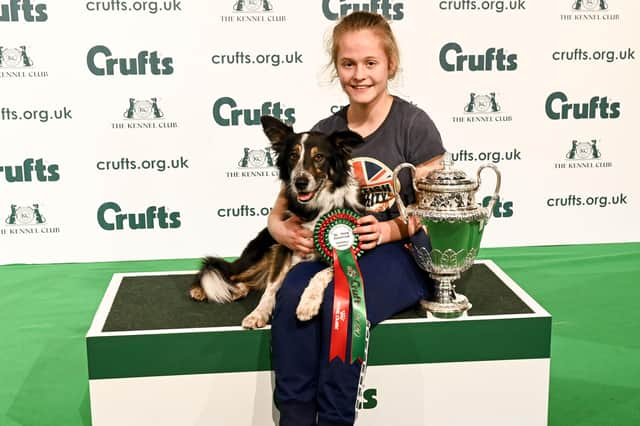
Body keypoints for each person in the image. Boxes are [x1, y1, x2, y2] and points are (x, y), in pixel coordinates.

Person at [267, 11, 446, 426]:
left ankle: (333, 418)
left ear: (390, 65)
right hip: (329, 258)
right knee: (292, 296)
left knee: (340, 304)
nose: (359, 74)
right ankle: (293, 417)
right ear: (337, 68)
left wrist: (387, 229)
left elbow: (434, 210)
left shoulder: (414, 125)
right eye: (348, 64)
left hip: (400, 253)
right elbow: (279, 213)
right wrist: (282, 231)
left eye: (370, 63)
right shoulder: (324, 134)